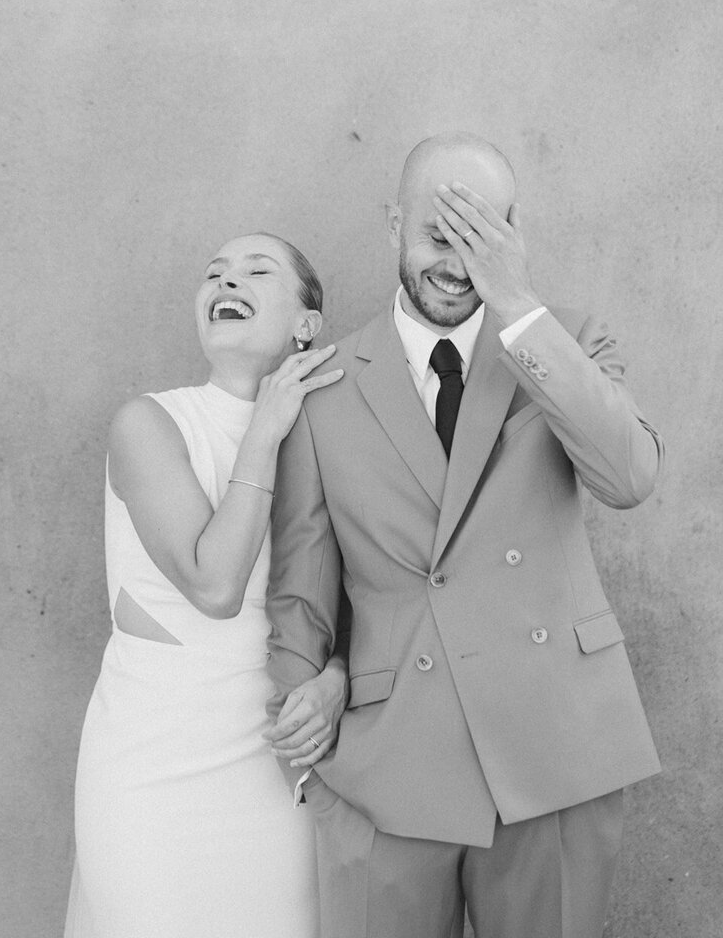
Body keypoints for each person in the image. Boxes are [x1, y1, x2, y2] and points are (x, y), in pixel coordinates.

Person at [265, 134, 664, 938]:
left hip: (554, 755)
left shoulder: (567, 340)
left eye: (482, 234)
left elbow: (629, 479)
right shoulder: (324, 386)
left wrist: (518, 307)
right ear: (392, 226)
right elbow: (300, 592)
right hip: (387, 770)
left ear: (514, 233)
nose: (457, 263)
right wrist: (305, 764)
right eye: (438, 233)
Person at [64, 232, 348, 938]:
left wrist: (337, 679)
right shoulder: (149, 422)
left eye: (257, 271)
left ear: (305, 326)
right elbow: (215, 585)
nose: (227, 281)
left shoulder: (333, 440)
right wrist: (264, 430)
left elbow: (370, 595)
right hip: (151, 767)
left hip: (273, 764)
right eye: (214, 273)